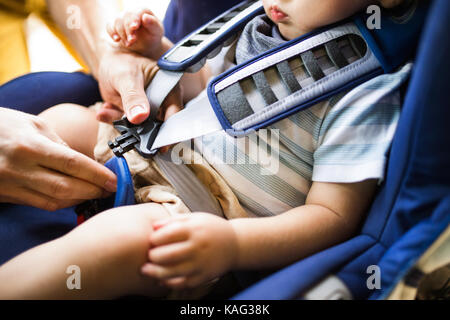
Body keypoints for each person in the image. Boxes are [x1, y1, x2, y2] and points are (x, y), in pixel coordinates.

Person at [1, 0, 411, 299]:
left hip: (200, 211)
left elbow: (333, 217)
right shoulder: (258, 24)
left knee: (118, 242)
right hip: (153, 148)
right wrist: (159, 50)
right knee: (62, 121)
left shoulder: (366, 93)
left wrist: (231, 244)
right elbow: (205, 91)